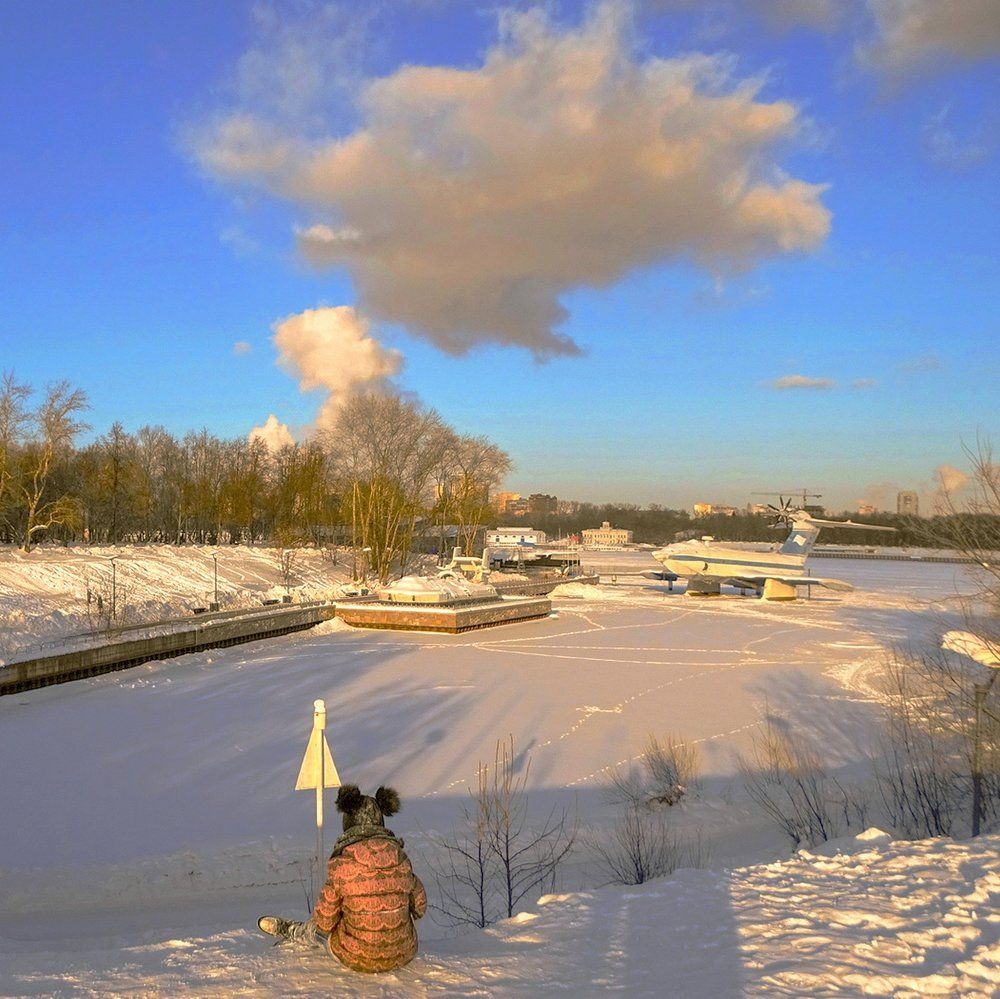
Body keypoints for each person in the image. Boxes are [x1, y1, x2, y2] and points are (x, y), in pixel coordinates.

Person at [258, 784, 427, 974]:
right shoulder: (402, 860)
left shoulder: (342, 865)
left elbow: (324, 923)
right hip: (404, 954)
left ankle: (293, 931)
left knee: (319, 932)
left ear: (348, 823)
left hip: (356, 957)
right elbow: (420, 908)